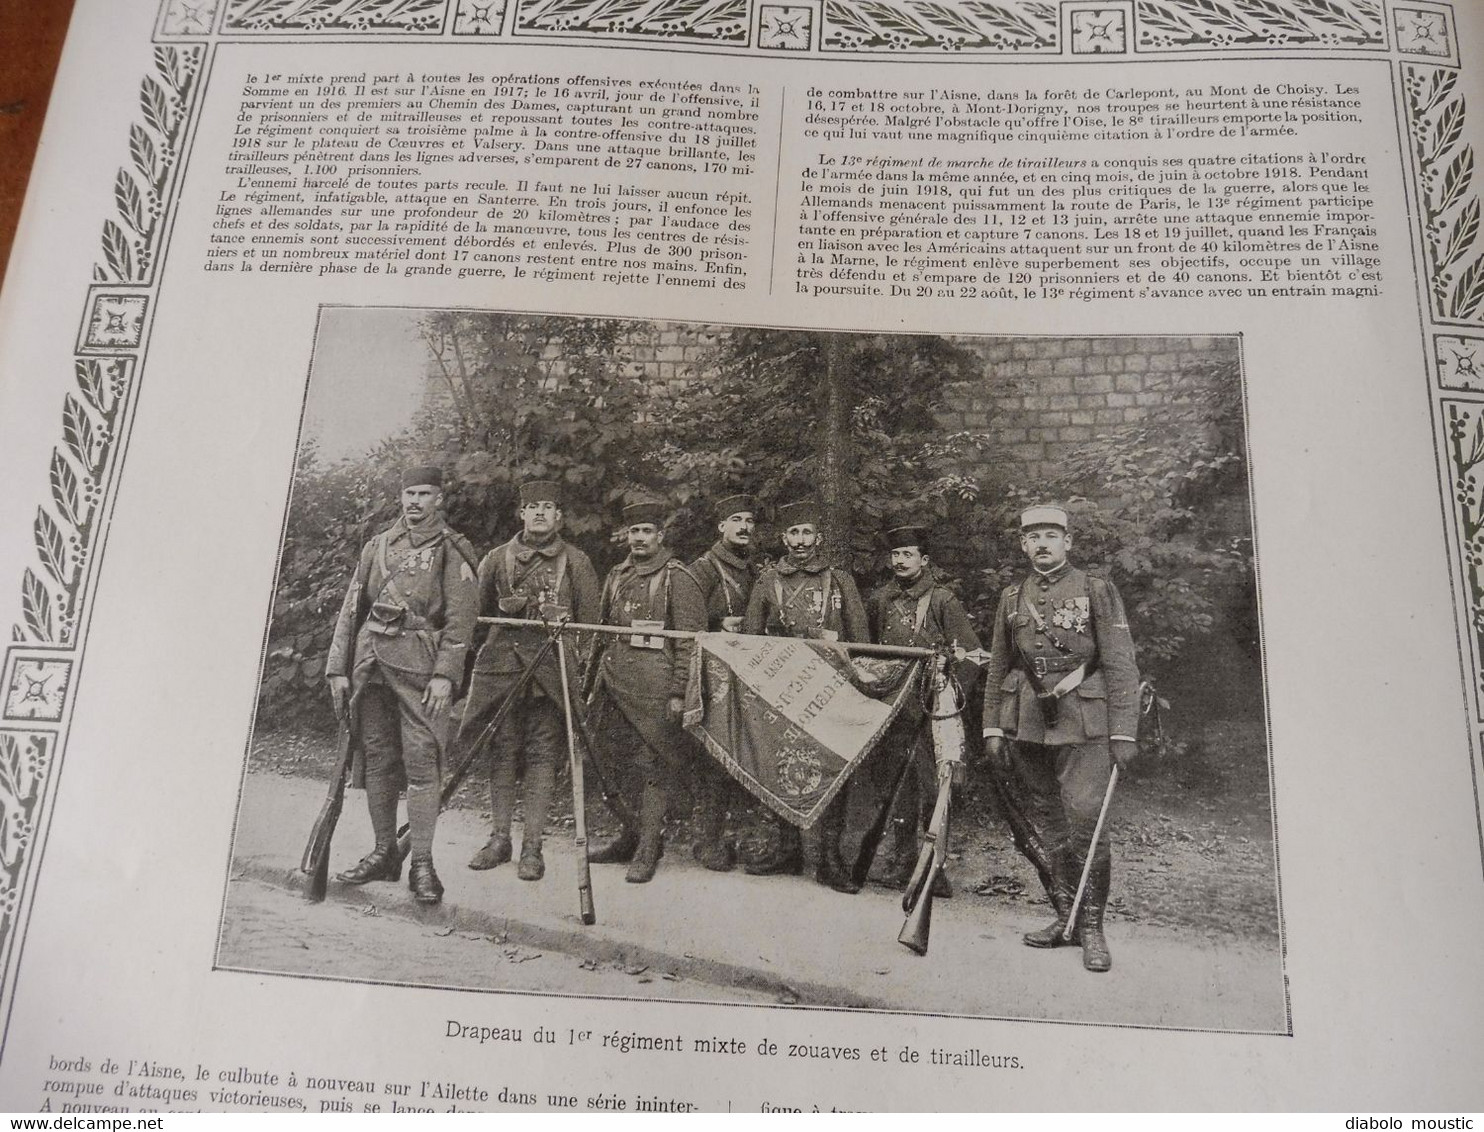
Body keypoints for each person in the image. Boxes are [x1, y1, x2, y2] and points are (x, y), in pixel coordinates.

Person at [980, 505, 1140, 972]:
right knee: (1049, 824)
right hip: (1027, 722)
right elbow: (998, 665)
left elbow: (1120, 662)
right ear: (1023, 544)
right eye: (1034, 537)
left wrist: (1124, 731)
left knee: (1087, 824)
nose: (1043, 544)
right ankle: (1063, 918)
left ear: (1068, 542)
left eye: (1052, 535)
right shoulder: (1012, 597)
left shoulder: (1096, 590)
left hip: (1085, 722)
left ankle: (1092, 927)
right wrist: (993, 726)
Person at [324, 466, 479, 906]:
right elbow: (352, 607)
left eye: (424, 493)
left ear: (440, 499)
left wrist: (447, 675)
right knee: (377, 758)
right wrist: (338, 666)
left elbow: (461, 619)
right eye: (409, 492)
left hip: (420, 670)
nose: (415, 501)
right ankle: (383, 852)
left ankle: (423, 864)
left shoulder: (451, 550)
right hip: (371, 664)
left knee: (421, 763)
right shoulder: (377, 547)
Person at [457, 480, 600, 881]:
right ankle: (499, 838)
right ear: (521, 513)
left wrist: (578, 668)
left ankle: (532, 848)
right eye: (532, 506)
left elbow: (590, 625)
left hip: (550, 675)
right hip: (501, 673)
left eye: (548, 506)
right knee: (501, 753)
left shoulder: (576, 562)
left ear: (559, 516)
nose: (539, 513)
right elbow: (475, 620)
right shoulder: (496, 559)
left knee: (541, 756)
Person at [740, 498, 869, 890]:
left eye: (807, 532)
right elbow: (750, 635)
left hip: (829, 687)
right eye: (793, 533)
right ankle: (786, 849)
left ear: (819, 536)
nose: (800, 541)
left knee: (833, 764)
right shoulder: (767, 579)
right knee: (779, 758)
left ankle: (830, 858)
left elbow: (860, 637)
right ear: (783, 538)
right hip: (782, 685)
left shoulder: (839, 580)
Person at [586, 500, 707, 883]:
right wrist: (592, 682)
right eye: (633, 532)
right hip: (615, 685)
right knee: (616, 765)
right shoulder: (617, 575)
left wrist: (677, 694)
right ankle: (629, 834)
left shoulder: (678, 578)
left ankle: (649, 846)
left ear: (660, 535)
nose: (638, 539)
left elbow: (690, 642)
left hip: (656, 692)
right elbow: (601, 633)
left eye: (646, 531)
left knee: (655, 766)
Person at [864, 524, 982, 894]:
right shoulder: (880, 601)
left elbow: (974, 656)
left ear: (924, 560)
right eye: (895, 555)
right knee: (897, 789)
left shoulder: (943, 601)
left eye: (908, 554)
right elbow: (866, 651)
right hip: (892, 710)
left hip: (932, 712)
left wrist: (947, 693)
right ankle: (900, 862)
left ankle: (933, 870)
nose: (900, 561)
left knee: (934, 789)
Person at [685, 493, 760, 871]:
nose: (744, 527)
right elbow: (682, 623)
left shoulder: (754, 570)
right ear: (721, 527)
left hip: (744, 674)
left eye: (749, 520)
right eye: (736, 519)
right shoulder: (703, 569)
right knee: (715, 756)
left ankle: (745, 840)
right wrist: (716, 625)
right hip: (711, 674)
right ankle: (707, 841)